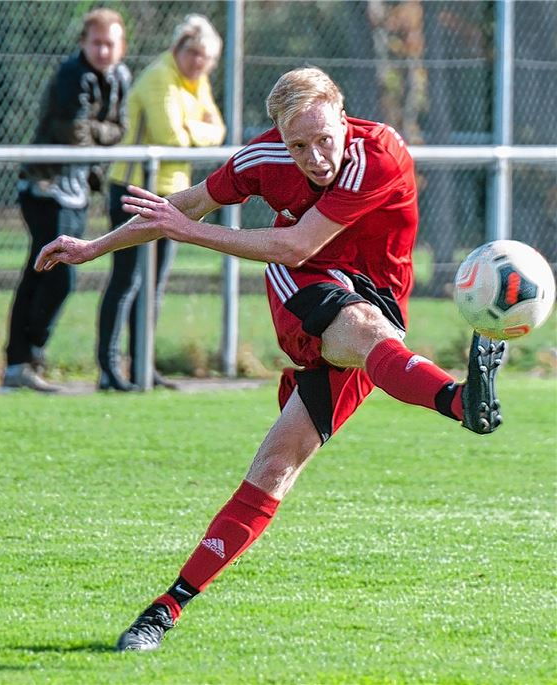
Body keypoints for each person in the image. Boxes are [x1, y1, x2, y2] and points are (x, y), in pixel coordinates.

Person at [35, 66, 504, 651]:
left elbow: (287, 237)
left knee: (276, 466)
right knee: (363, 328)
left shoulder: (380, 154)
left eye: (323, 139)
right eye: (297, 145)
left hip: (374, 307)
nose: (314, 157)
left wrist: (186, 232)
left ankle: (164, 609)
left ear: (344, 118)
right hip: (304, 286)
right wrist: (94, 246)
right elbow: (190, 206)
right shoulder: (264, 158)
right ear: (279, 137)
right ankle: (459, 401)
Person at [2, 8, 131, 392]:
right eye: (97, 43)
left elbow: (120, 130)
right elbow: (76, 134)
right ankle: (24, 358)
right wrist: (101, 132)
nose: (103, 51)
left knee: (46, 272)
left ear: (122, 46)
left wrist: (98, 130)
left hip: (77, 191)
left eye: (110, 44)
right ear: (83, 43)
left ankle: (22, 361)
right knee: (56, 274)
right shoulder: (72, 74)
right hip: (46, 187)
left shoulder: (120, 77)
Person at [99, 14, 225, 392]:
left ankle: (142, 366)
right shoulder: (160, 76)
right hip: (134, 189)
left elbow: (218, 131)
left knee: (154, 284)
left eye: (206, 57)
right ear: (178, 48)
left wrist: (192, 129)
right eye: (193, 53)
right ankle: (108, 368)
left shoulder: (196, 82)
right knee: (127, 280)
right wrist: (194, 128)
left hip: (172, 194)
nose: (198, 62)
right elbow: (172, 137)